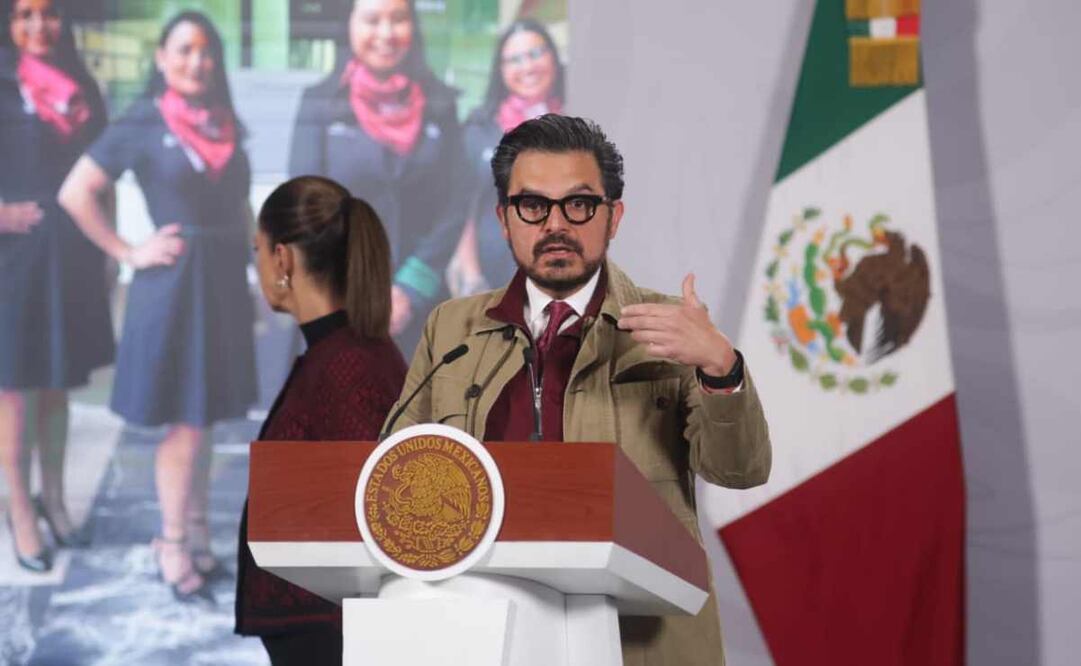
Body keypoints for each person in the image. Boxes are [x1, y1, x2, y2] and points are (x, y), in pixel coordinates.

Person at [385, 114, 771, 665]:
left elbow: (740, 470)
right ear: (503, 219)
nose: (556, 225)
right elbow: (392, 476)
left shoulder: (673, 329)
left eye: (580, 205)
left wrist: (721, 367)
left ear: (614, 217)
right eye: (532, 205)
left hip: (639, 641)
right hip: (489, 636)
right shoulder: (452, 328)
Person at [58, 11, 256, 598]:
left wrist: (257, 276)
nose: (197, 61)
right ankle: (170, 541)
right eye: (184, 50)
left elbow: (239, 208)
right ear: (161, 59)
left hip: (222, 283)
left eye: (206, 51)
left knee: (207, 417)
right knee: (185, 423)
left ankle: (196, 531)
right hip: (174, 289)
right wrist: (127, 250)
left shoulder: (224, 122)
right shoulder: (144, 120)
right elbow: (76, 191)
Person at [234, 176, 407, 665]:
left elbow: (378, 522)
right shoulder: (339, 355)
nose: (258, 265)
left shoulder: (348, 365)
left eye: (257, 251)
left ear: (283, 259)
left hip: (331, 640)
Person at [287, 0, 469, 358]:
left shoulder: (440, 105)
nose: (386, 33)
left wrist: (408, 291)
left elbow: (455, 203)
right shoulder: (320, 103)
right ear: (350, 26)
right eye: (372, 20)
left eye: (398, 19)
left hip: (421, 303)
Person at [0, 0, 113, 572]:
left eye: (48, 14)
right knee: (16, 390)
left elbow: (104, 171)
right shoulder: (3, 86)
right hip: (13, 260)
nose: (38, 26)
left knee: (58, 387)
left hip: (71, 255)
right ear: (8, 23)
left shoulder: (82, 86)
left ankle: (55, 498)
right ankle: (20, 509)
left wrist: (111, 247)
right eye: (24, 14)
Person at [447, 18, 565, 297]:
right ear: (500, 71)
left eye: (536, 54)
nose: (527, 67)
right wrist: (472, 277)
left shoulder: (582, 120)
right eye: (514, 60)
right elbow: (463, 208)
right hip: (493, 281)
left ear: (553, 57)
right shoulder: (480, 128)